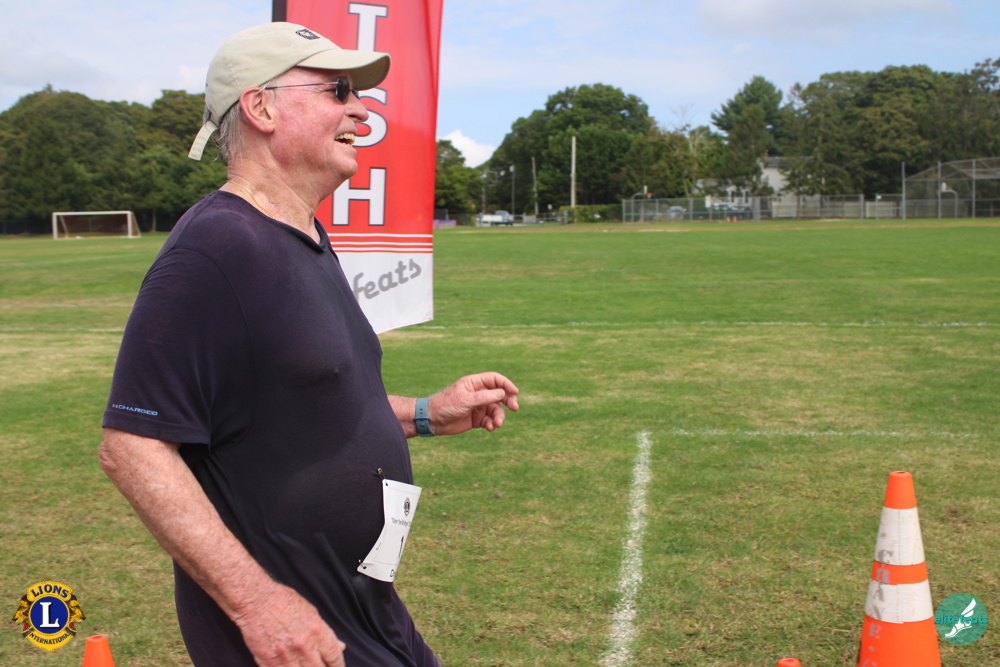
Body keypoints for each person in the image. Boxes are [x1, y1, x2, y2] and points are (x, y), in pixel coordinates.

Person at [100, 22, 518, 667]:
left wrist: (429, 414)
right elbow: (133, 446)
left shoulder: (308, 238)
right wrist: (258, 605)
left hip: (368, 609)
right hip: (296, 638)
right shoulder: (217, 247)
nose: (362, 110)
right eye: (338, 91)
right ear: (261, 108)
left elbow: (310, 408)